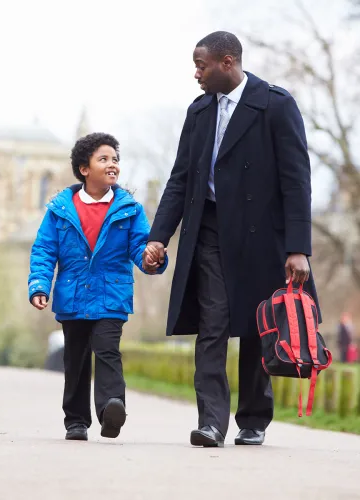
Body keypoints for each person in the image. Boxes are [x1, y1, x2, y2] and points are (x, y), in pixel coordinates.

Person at [143, 31, 320, 447]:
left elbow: (297, 181)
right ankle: (211, 423)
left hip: (261, 238)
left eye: (201, 65)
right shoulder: (200, 111)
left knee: (260, 327)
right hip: (208, 230)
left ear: (227, 62)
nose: (196, 73)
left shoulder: (275, 105)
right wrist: (159, 237)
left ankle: (254, 420)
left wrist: (298, 248)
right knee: (212, 324)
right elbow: (181, 179)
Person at [29, 132, 168, 441]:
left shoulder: (130, 209)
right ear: (84, 169)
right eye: (103, 159)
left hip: (111, 293)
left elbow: (140, 249)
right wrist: (40, 285)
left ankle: (110, 409)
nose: (112, 165)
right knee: (75, 358)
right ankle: (76, 420)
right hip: (73, 295)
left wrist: (150, 259)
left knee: (107, 350)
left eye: (115, 159)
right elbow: (44, 250)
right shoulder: (59, 209)